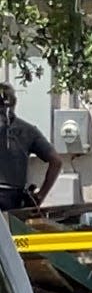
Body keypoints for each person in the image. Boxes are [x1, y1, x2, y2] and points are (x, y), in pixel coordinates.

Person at [0, 82, 62, 211]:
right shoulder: (27, 130)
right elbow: (56, 161)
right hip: (13, 200)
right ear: (14, 104)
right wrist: (40, 197)